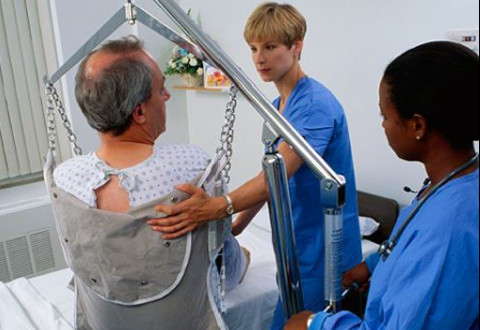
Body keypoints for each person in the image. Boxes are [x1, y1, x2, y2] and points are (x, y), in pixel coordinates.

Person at [147, 3, 362, 329]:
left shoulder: (315, 106)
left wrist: (219, 207)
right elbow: (272, 181)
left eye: (270, 47)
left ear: (297, 46)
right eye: (253, 48)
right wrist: (236, 225)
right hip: (293, 246)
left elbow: (281, 172)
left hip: (322, 252)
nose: (259, 58)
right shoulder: (278, 106)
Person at [50, 35, 248, 330]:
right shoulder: (191, 165)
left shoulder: (64, 178)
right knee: (230, 248)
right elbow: (221, 251)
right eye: (161, 89)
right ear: (140, 112)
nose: (167, 97)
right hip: (188, 317)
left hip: (103, 320)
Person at [285, 41, 479, 330]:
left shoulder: (450, 227)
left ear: (417, 126)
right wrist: (377, 264)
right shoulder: (452, 184)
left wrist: (316, 324)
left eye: (384, 116)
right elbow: (414, 249)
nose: (383, 126)